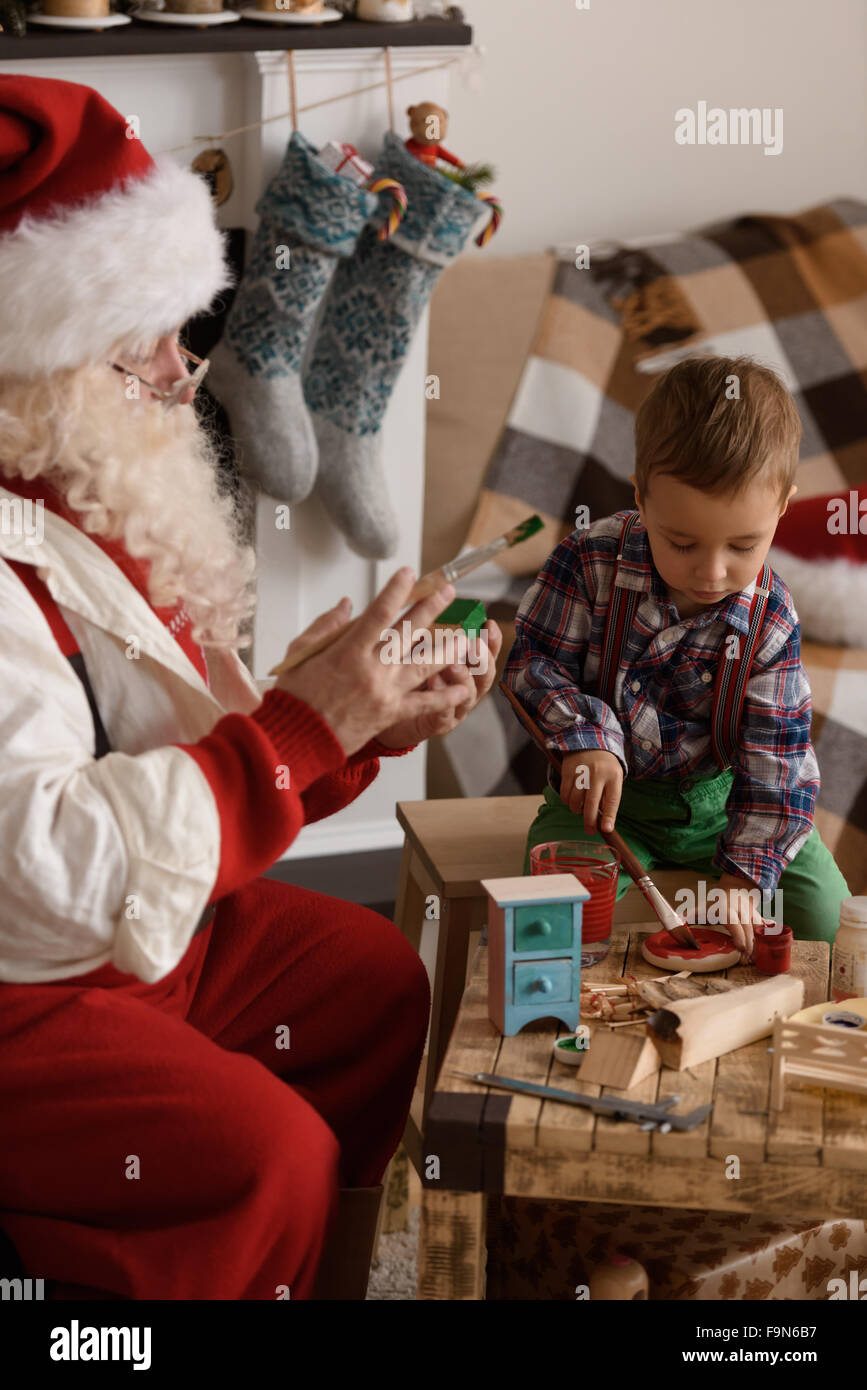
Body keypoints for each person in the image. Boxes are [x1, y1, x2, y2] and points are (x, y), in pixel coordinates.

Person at [0, 73, 502, 1300]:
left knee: (376, 989)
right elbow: (49, 874)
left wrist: (355, 720)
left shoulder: (79, 508)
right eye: (149, 349)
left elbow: (184, 785)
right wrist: (307, 720)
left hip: (125, 954)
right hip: (25, 993)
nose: (186, 377)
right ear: (39, 368)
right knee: (265, 1156)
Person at [504, 355, 849, 953]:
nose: (711, 571)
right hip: (610, 806)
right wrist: (587, 740)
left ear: (782, 508)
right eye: (681, 542)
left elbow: (778, 766)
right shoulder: (591, 562)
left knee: (827, 919)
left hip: (730, 813)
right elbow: (533, 663)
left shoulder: (770, 618)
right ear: (641, 495)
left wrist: (743, 877)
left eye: (743, 544)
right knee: (557, 914)